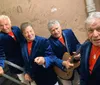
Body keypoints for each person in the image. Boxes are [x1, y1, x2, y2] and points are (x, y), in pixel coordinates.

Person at [47, 20, 81, 85]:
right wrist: (63, 64)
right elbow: (52, 58)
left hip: (75, 65)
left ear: (60, 27)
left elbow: (77, 44)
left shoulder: (69, 32)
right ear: (50, 32)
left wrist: (78, 52)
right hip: (62, 70)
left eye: (57, 28)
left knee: (78, 83)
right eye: (52, 30)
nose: (56, 32)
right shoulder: (48, 42)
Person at [0, 15, 28, 85]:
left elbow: (24, 41)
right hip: (16, 64)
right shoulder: (0, 38)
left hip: (27, 59)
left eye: (6, 24)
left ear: (10, 23)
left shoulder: (16, 29)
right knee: (25, 81)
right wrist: (0, 66)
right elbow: (1, 54)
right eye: (1, 25)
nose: (4, 27)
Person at [80, 12, 100, 85]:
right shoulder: (85, 47)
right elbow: (83, 75)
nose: (95, 35)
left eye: (99, 29)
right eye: (90, 30)